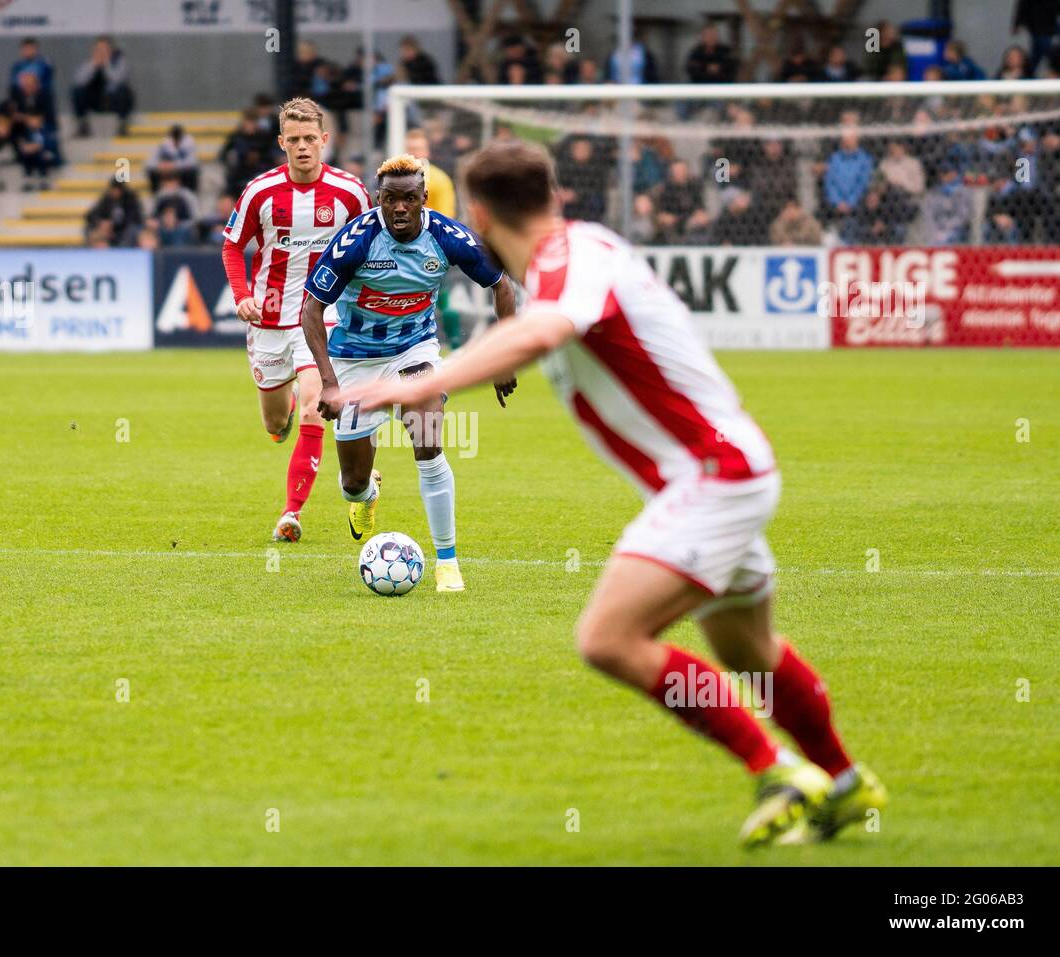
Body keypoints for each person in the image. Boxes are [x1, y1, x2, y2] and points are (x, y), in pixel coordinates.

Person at [339, 141, 888, 845]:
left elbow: (541, 330)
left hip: (712, 476)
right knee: (749, 649)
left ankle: (778, 769)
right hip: (725, 472)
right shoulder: (581, 250)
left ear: (477, 214)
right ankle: (843, 780)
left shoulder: (570, 265)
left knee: (608, 637)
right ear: (554, 194)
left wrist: (418, 382)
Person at [299, 152, 518, 592]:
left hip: (413, 352)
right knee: (352, 482)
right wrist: (328, 380)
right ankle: (367, 496)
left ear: (424, 199)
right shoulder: (355, 241)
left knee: (428, 439)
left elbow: (502, 285)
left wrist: (504, 357)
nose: (400, 209)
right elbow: (312, 310)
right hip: (355, 359)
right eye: (391, 200)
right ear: (379, 199)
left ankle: (448, 563)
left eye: (410, 199)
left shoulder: (447, 236)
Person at [221, 98, 373, 543]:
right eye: (295, 140)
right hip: (268, 321)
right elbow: (233, 245)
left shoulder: (351, 192)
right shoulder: (260, 191)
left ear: (325, 140)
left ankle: (291, 513)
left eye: (311, 139)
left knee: (314, 404)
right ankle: (281, 411)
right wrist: (242, 294)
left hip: (321, 319)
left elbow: (368, 248)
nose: (303, 147)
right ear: (281, 142)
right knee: (274, 423)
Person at [404, 127, 462, 349]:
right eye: (410, 149)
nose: (414, 153)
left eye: (418, 148)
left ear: (426, 150)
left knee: (442, 296)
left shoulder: (438, 179)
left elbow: (447, 217)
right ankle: (409, 343)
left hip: (431, 248)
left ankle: (456, 343)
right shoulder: (393, 178)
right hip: (400, 248)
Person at [71, 37, 134, 137]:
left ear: (111, 49)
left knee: (124, 91)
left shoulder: (119, 61)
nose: (101, 52)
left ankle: (122, 125)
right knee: (77, 91)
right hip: (95, 100)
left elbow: (118, 80)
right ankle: (83, 125)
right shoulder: (90, 62)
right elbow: (79, 81)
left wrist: (106, 64)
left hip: (113, 100)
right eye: (99, 49)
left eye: (104, 49)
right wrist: (93, 65)